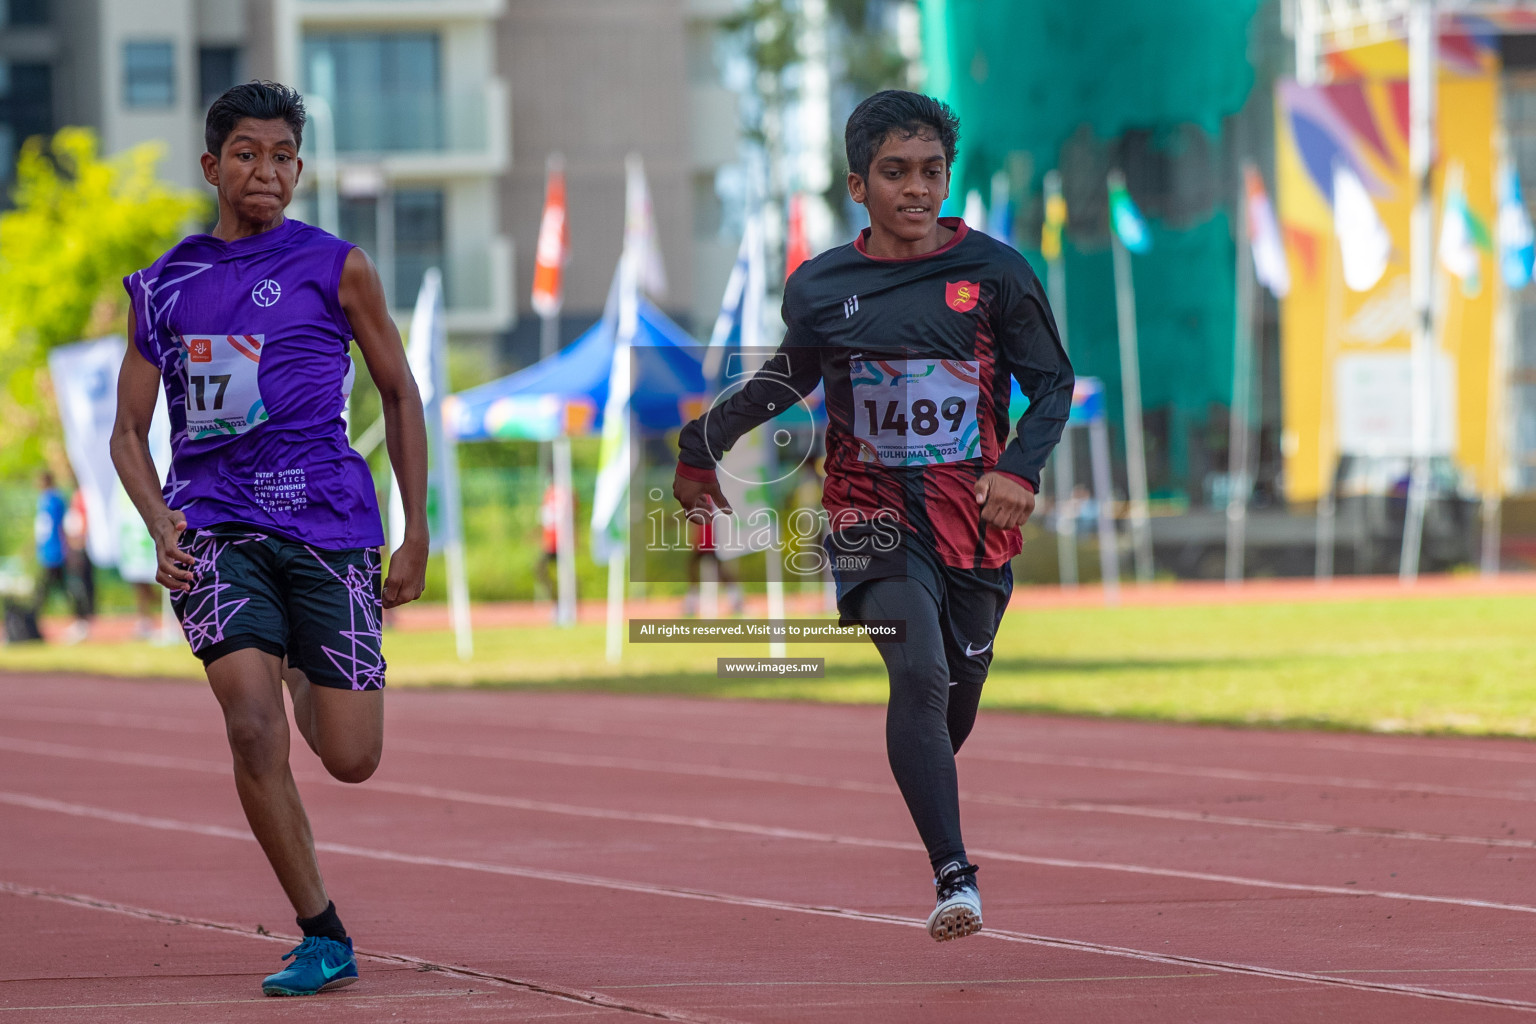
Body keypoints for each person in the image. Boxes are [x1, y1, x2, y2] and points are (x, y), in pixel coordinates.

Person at [673, 90, 1072, 942]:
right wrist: (700, 445)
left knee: (954, 697)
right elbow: (789, 377)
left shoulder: (997, 274)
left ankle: (925, 775)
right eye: (896, 173)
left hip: (973, 523)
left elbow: (1054, 385)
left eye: (932, 172)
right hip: (867, 516)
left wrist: (1017, 469)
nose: (917, 190)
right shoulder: (822, 286)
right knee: (919, 677)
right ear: (860, 184)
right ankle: (954, 877)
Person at [110, 81, 429, 997]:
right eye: (247, 153)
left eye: (284, 155)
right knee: (251, 727)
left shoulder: (338, 267)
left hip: (329, 523)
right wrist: (160, 521)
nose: (268, 171)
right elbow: (129, 433)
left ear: (300, 167)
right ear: (212, 167)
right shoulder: (163, 285)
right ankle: (322, 931)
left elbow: (401, 394)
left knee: (351, 757)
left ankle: (297, 658)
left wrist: (415, 536)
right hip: (214, 527)